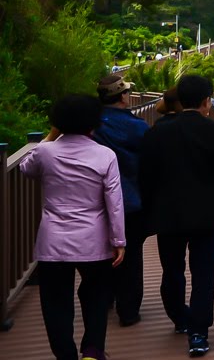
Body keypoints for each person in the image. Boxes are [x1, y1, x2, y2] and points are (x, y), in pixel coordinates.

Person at [140, 75, 214, 358]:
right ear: (207, 101)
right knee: (203, 273)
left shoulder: (155, 133)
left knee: (172, 270)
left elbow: (145, 177)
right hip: (206, 214)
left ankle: (179, 317)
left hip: (167, 214)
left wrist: (151, 210)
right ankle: (199, 334)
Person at [20, 94, 126, 360]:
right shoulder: (105, 155)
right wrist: (119, 240)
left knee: (55, 303)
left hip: (53, 241)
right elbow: (114, 202)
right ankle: (92, 350)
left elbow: (25, 168)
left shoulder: (45, 152)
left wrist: (51, 135)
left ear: (57, 122)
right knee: (97, 295)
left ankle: (65, 355)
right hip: (94, 239)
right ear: (94, 122)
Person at [92, 73, 149, 327]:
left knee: (101, 254)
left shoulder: (91, 126)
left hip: (96, 201)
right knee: (132, 255)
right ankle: (128, 310)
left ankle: (103, 301)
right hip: (131, 199)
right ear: (124, 97)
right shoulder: (138, 127)